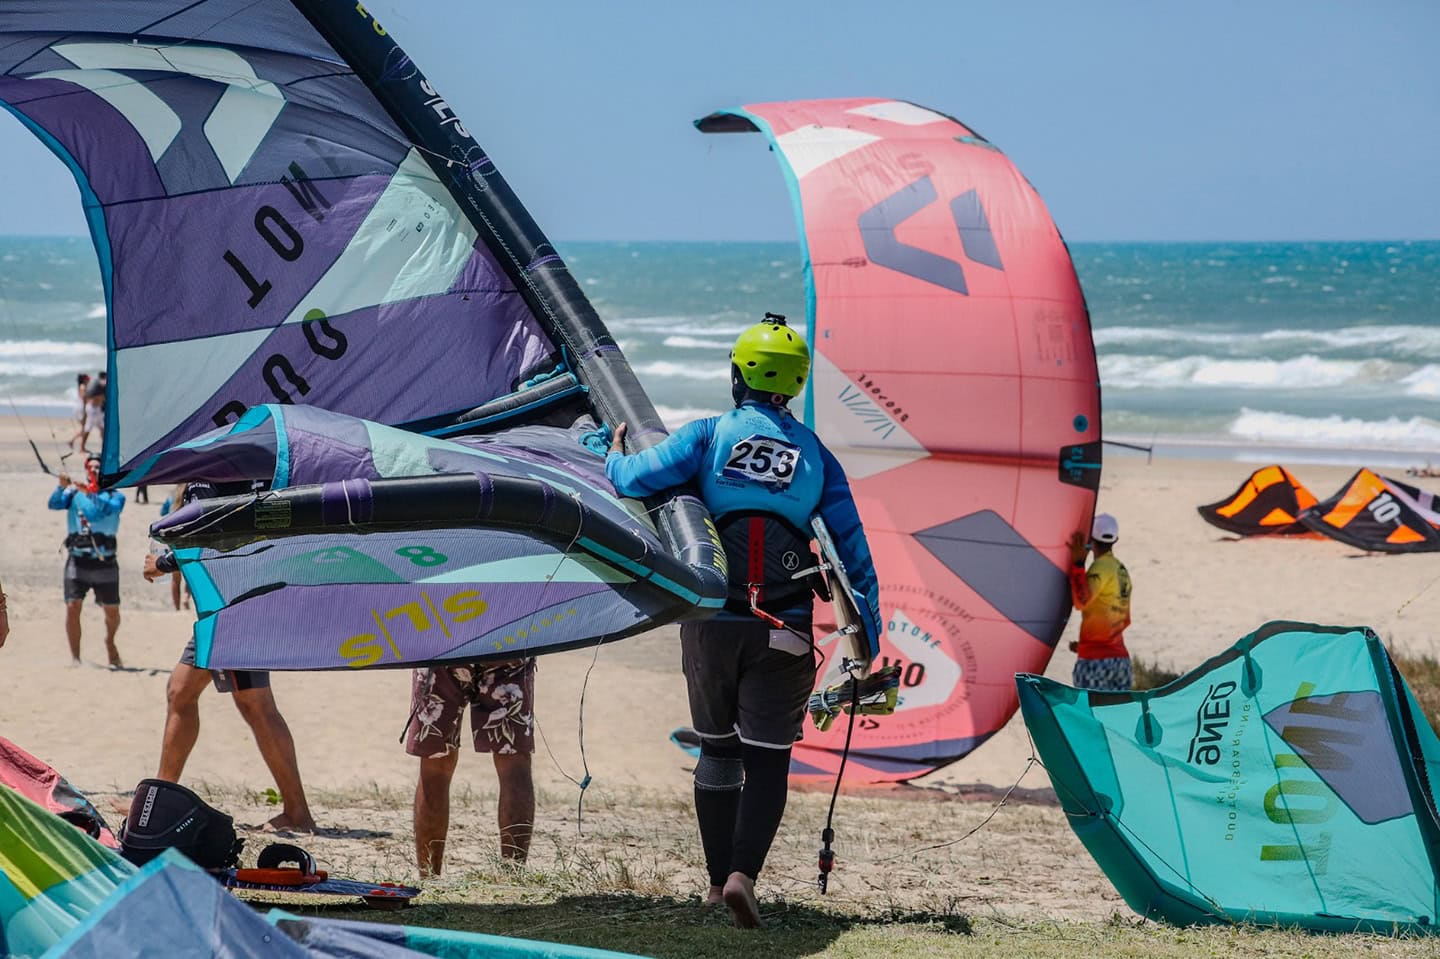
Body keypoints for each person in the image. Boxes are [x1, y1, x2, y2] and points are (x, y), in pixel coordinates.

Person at [604, 314, 882, 929]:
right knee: (769, 760)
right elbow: (854, 553)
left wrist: (612, 451)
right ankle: (742, 877)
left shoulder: (709, 435)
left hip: (712, 624)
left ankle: (713, 884)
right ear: (797, 382)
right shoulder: (816, 456)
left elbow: (632, 479)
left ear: (738, 375)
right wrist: (871, 633)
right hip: (785, 628)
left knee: (718, 751)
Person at [141, 478, 315, 833]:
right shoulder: (236, 467)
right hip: (242, 600)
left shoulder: (208, 476)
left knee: (252, 705)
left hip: (232, 606)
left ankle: (298, 812)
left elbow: (212, 535)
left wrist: (163, 563)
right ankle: (160, 800)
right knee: (186, 692)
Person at [405, 660, 536, 876]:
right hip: (507, 647)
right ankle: (513, 876)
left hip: (442, 648)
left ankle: (429, 879)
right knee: (513, 760)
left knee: (435, 763)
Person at [47, 455, 124, 667]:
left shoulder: (115, 496)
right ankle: (76, 658)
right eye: (91, 467)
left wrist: (89, 492)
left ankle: (110, 642)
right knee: (72, 606)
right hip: (77, 560)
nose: (94, 470)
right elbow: (54, 504)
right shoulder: (74, 494)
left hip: (105, 562)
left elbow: (109, 509)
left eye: (98, 467)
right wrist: (61, 487)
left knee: (112, 611)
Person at [1067, 512, 1133, 691]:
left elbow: (1081, 601)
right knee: (1117, 710)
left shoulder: (1100, 567)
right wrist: (1083, 646)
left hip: (1095, 663)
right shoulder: (1121, 571)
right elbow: (1117, 617)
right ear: (1115, 539)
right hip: (1121, 663)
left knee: (1091, 710)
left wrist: (1078, 564)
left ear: (1091, 540)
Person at [82, 371, 106, 451]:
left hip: (97, 409)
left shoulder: (96, 383)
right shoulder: (101, 382)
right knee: (88, 428)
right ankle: (82, 447)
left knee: (102, 428)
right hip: (93, 409)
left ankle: (104, 447)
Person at [69, 373, 90, 452]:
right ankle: (81, 447)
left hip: (81, 407)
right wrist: (85, 411)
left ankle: (73, 442)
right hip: (81, 408)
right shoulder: (83, 387)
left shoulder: (82, 386)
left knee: (85, 428)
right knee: (85, 428)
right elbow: (84, 399)